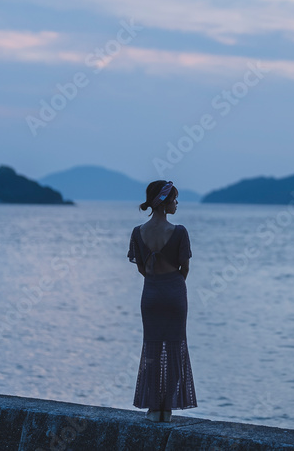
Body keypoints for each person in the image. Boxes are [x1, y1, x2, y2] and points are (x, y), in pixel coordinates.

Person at [128, 179, 197, 422]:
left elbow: (141, 269)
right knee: (176, 348)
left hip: (151, 294)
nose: (177, 203)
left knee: (152, 349)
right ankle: (167, 409)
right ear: (164, 201)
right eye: (174, 199)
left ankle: (152, 408)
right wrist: (174, 285)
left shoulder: (138, 232)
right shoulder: (179, 232)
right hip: (175, 292)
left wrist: (156, 282)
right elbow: (185, 267)